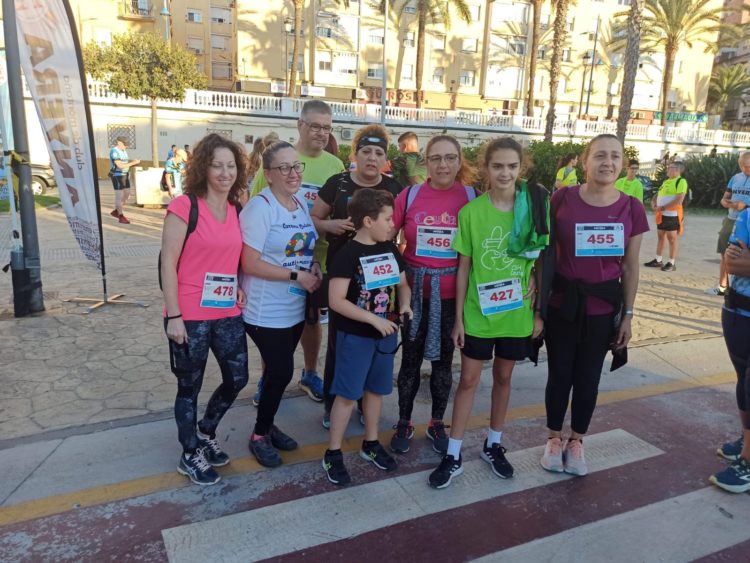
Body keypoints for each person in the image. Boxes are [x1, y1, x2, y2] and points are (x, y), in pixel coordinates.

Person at [428, 138, 550, 489]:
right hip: (478, 314)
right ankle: (453, 454)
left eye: (512, 166)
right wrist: (458, 319)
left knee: (503, 378)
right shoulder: (471, 213)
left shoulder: (534, 207)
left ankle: (494, 444)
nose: (505, 173)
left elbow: (542, 260)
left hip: (516, 313)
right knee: (468, 380)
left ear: (521, 168)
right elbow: (463, 267)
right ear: (486, 168)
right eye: (498, 166)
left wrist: (538, 305)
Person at [538, 134, 648, 477]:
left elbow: (630, 266)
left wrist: (627, 315)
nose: (608, 162)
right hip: (562, 305)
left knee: (588, 378)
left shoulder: (631, 207)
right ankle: (553, 438)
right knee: (559, 375)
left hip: (602, 309)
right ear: (585, 162)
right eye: (600, 155)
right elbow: (544, 252)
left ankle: (576, 440)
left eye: (615, 156)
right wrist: (537, 305)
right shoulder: (561, 198)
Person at [160, 133, 249, 486]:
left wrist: (237, 284)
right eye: (217, 166)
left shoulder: (236, 209)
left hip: (226, 309)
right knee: (189, 387)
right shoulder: (185, 206)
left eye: (231, 166)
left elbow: (231, 256)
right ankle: (189, 453)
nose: (225, 173)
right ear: (203, 168)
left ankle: (206, 431)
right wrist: (174, 315)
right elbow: (168, 263)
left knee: (238, 378)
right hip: (190, 314)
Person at [250, 100, 345, 404]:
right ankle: (268, 378)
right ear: (300, 125)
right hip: (277, 261)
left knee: (312, 319)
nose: (321, 132)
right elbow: (255, 205)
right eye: (315, 126)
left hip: (318, 258)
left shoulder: (335, 165)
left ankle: (310, 373)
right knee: (275, 326)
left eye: (327, 127)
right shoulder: (280, 157)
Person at [389, 134, 477, 456]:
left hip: (453, 297)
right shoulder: (410, 195)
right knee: (410, 361)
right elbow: (386, 237)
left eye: (450, 158)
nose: (443, 165)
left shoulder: (471, 196)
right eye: (436, 158)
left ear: (459, 161)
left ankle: (437, 421)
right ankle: (404, 421)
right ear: (426, 162)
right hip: (413, 297)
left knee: (443, 363)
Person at [311, 125, 402, 428]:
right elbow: (313, 218)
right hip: (343, 276)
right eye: (366, 151)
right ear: (355, 155)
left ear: (385, 159)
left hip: (380, 280)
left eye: (378, 153)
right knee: (341, 345)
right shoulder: (337, 184)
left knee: (375, 343)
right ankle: (334, 404)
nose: (372, 158)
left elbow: (400, 227)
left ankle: (366, 404)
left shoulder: (395, 188)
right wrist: (329, 226)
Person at [321, 189, 412, 486]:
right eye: (388, 219)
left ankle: (370, 443)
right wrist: (373, 319)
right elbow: (336, 300)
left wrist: (405, 305)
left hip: (386, 336)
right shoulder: (347, 254)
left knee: (375, 391)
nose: (393, 224)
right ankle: (333, 452)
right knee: (348, 395)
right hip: (356, 337)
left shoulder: (390, 249)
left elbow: (402, 284)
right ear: (369, 221)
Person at [240, 141, 322, 467]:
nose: (293, 173)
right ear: (269, 173)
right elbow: (249, 263)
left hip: (294, 306)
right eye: (284, 168)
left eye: (297, 166)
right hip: (264, 309)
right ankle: (259, 435)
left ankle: (268, 424)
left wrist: (313, 266)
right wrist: (296, 276)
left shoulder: (299, 203)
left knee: (279, 373)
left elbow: (304, 247)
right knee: (282, 370)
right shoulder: (260, 208)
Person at [710, 208, 750, 493]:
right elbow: (732, 263)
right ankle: (747, 439)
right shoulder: (748, 216)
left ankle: (749, 461)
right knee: (743, 382)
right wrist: (741, 260)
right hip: (737, 311)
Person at [706, 151, 750, 296]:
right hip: (731, 220)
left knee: (745, 255)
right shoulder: (735, 178)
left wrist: (745, 206)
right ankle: (722, 286)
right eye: (742, 166)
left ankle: (742, 289)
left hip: (747, 222)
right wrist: (726, 202)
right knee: (725, 253)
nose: (745, 169)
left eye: (748, 166)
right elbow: (725, 198)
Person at [644, 161, 687, 272]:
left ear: (677, 169)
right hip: (661, 214)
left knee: (672, 238)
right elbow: (658, 194)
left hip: (672, 215)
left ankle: (671, 263)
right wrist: (653, 202)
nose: (667, 169)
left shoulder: (681, 181)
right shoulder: (666, 181)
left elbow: (679, 200)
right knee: (660, 237)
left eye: (670, 167)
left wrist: (662, 208)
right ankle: (658, 260)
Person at [109, 136, 141, 224]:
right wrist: (133, 163)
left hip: (125, 175)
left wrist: (134, 163)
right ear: (119, 142)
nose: (126, 146)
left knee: (127, 194)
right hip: (117, 176)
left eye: (127, 144)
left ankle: (116, 211)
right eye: (124, 144)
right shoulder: (114, 151)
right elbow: (120, 165)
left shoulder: (124, 151)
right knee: (119, 196)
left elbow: (125, 163)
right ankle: (120, 216)